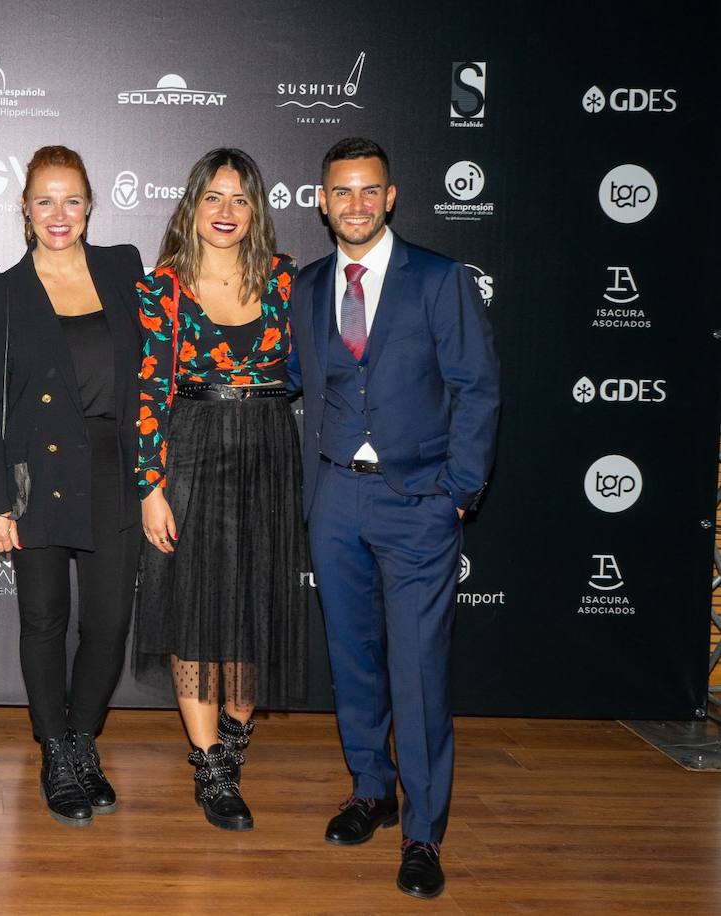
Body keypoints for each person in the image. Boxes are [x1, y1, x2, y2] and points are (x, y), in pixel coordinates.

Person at [288, 137, 499, 899]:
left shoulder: (439, 280)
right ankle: (370, 790)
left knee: (416, 669)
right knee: (353, 657)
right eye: (341, 191)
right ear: (320, 200)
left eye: (368, 190)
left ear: (392, 195)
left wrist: (459, 489)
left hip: (419, 502)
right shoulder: (308, 286)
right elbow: (286, 378)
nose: (355, 203)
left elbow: (477, 387)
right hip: (335, 496)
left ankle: (422, 832)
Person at [0, 146, 143, 827]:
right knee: (44, 620)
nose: (59, 214)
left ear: (91, 204)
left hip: (113, 467)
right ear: (24, 209)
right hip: (34, 474)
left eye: (72, 200)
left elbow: (152, 373)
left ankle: (82, 740)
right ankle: (54, 751)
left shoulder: (124, 267)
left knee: (107, 622)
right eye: (45, 200)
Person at [136, 148, 308, 832]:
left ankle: (236, 736)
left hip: (268, 447)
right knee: (194, 603)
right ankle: (210, 764)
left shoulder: (286, 282)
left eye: (239, 199)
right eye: (213, 198)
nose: (226, 212)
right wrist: (150, 486)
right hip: (193, 447)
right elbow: (148, 391)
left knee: (250, 601)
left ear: (256, 209)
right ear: (191, 206)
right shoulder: (163, 287)